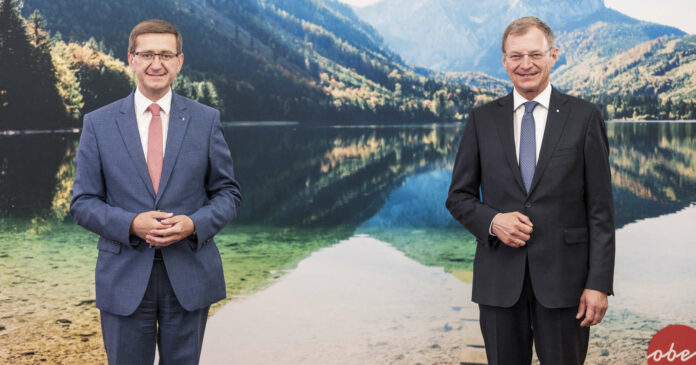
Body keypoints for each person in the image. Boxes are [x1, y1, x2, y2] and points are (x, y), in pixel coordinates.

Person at [70, 19, 241, 364]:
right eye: (147, 54)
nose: (156, 63)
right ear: (131, 59)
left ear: (179, 61)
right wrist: (132, 224)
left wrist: (194, 224)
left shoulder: (206, 120)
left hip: (190, 274)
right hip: (124, 277)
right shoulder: (98, 123)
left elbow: (227, 193)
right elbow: (83, 203)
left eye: (165, 54)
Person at [446, 16, 615, 365]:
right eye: (516, 56)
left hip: (565, 285)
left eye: (535, 55)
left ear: (553, 55)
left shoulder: (584, 117)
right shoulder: (481, 120)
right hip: (498, 283)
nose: (526, 65)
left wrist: (598, 284)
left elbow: (600, 210)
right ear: (504, 61)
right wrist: (493, 221)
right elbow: (458, 197)